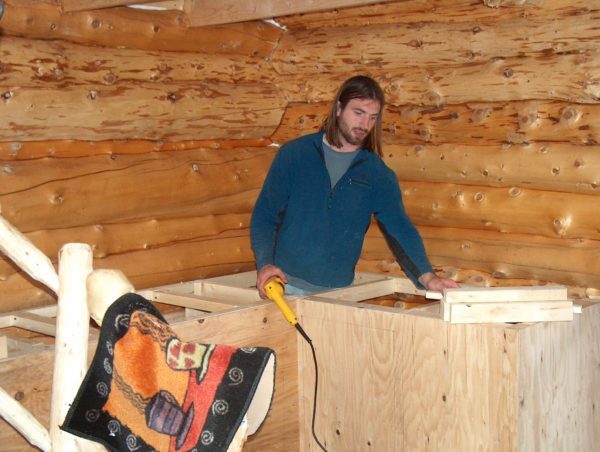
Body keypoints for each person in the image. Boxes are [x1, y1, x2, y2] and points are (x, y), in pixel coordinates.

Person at [251, 75, 458, 298]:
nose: (364, 124)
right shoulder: (295, 155)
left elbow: (399, 228)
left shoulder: (376, 173)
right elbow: (265, 215)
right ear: (339, 108)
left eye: (372, 118)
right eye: (358, 113)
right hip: (284, 286)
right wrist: (265, 264)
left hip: (337, 293)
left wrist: (428, 277)